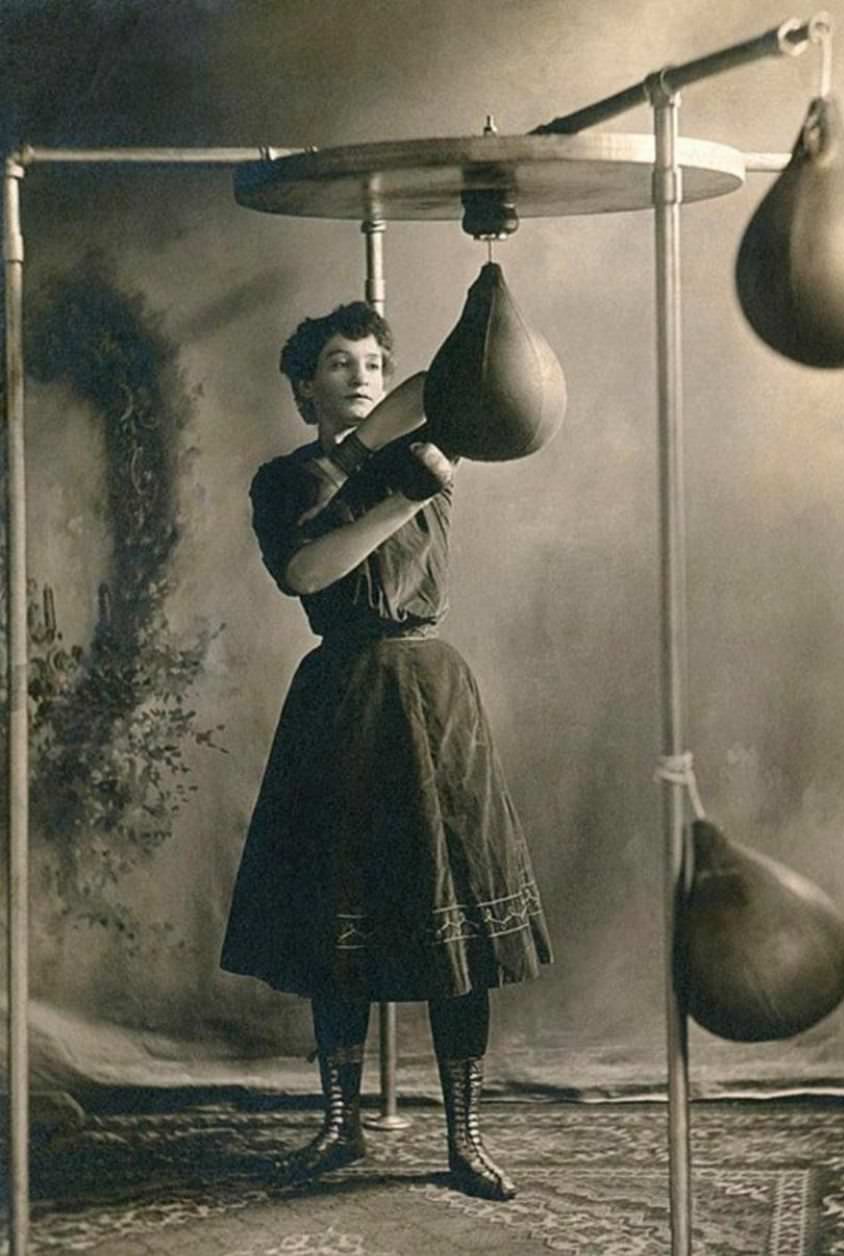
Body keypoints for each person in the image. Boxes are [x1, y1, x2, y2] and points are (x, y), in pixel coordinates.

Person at [220, 301, 552, 1202]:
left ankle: (466, 1138)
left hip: (431, 697)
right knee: (341, 917)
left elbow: (433, 392)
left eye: (372, 360)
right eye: (336, 362)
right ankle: (339, 1126)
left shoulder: (423, 451)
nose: (360, 374)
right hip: (343, 698)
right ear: (303, 389)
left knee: (454, 918)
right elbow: (307, 572)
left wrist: (479, 330)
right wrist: (401, 489)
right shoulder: (286, 481)